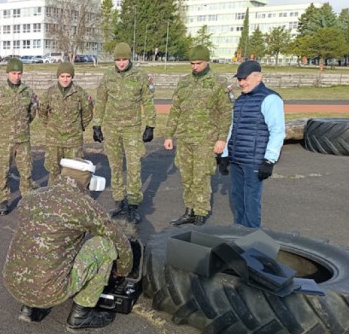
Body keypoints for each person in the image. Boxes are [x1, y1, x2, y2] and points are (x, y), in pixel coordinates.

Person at [2, 158, 133, 331]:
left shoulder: (31, 197)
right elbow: (120, 243)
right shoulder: (86, 206)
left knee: (38, 242)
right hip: (49, 292)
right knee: (103, 245)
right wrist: (122, 270)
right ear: (88, 180)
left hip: (13, 285)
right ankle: (81, 315)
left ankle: (29, 309)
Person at [163, 45, 233, 226]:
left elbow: (225, 113)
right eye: (192, 63)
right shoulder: (184, 82)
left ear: (207, 62)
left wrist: (222, 139)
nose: (194, 66)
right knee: (186, 176)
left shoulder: (218, 83)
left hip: (206, 139)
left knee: (201, 176)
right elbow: (175, 110)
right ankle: (189, 210)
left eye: (198, 63)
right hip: (185, 138)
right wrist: (169, 135)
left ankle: (201, 212)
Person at [92, 43, 156, 224]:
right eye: (118, 60)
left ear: (130, 59)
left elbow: (148, 101)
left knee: (134, 166)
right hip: (111, 127)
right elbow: (101, 101)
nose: (121, 63)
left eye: (124, 59)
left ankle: (133, 205)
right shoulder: (108, 76)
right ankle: (120, 202)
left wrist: (150, 125)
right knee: (115, 166)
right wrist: (96, 125)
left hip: (132, 129)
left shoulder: (140, 76)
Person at [220, 60, 285, 228]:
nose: (241, 83)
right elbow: (232, 128)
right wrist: (226, 154)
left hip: (254, 161)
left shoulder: (270, 99)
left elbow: (277, 131)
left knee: (251, 200)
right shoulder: (241, 100)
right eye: (239, 79)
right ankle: (239, 232)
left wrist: (269, 160)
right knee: (238, 198)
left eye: (245, 78)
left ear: (258, 77)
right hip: (237, 159)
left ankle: (252, 238)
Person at [0, 57, 38, 215]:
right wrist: (2, 129)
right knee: (2, 171)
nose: (17, 76)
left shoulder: (28, 92)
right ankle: (3, 201)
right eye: (14, 73)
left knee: (26, 171)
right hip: (5, 140)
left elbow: (31, 113)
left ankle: (27, 200)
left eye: (19, 73)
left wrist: (21, 127)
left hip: (23, 139)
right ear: (8, 73)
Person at [38, 62, 94, 185]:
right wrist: (50, 126)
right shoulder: (50, 92)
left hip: (73, 140)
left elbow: (88, 113)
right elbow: (41, 111)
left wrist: (78, 127)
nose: (65, 79)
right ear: (58, 76)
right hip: (54, 140)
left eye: (68, 76)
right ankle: (52, 198)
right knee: (54, 172)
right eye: (62, 76)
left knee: (74, 173)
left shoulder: (79, 93)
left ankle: (74, 200)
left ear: (72, 77)